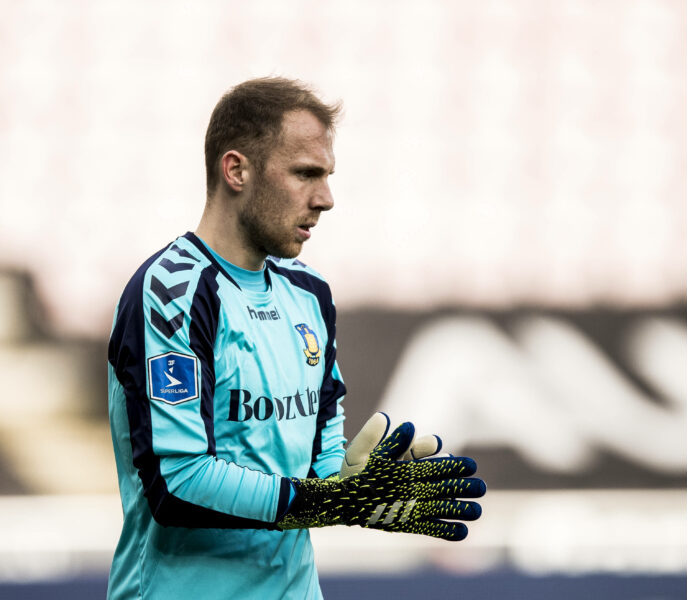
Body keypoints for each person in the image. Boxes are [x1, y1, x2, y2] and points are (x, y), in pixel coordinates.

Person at [107, 77, 485, 600]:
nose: (326, 199)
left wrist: (361, 489)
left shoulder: (309, 294)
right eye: (306, 173)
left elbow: (315, 466)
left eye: (327, 176)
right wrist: (328, 503)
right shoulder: (174, 291)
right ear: (236, 170)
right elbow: (179, 483)